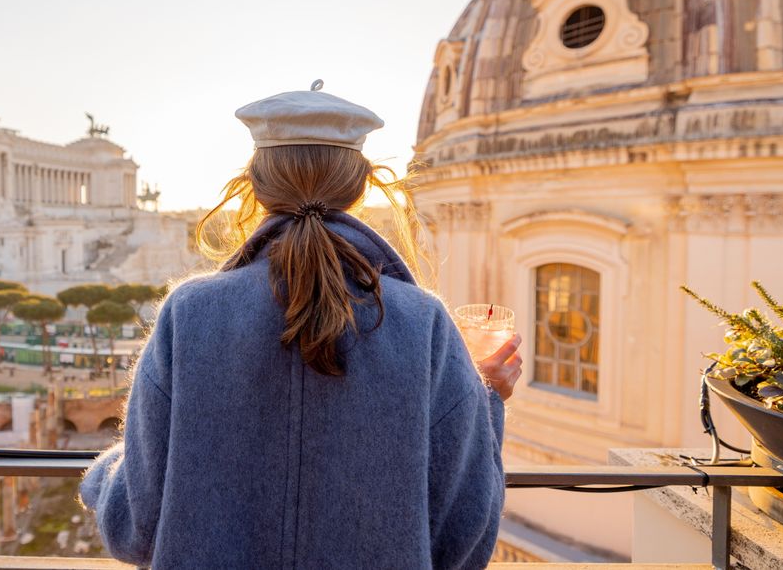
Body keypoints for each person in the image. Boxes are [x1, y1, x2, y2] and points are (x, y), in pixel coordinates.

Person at [80, 81, 522, 568]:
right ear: (360, 187)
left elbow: (132, 530)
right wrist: (485, 400)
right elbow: (463, 540)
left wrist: (103, 473)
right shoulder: (425, 323)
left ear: (254, 184)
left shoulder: (188, 314)